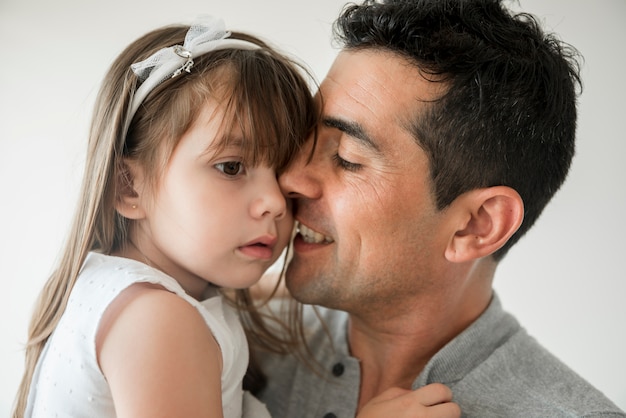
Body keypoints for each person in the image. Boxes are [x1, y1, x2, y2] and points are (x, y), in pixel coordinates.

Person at [12, 14, 459, 418]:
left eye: (283, 170)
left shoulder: (120, 289)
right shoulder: (159, 321)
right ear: (129, 187)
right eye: (231, 168)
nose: (277, 202)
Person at [252, 1, 626, 417]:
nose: (290, 179)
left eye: (347, 155)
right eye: (306, 137)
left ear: (476, 225)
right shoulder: (233, 346)